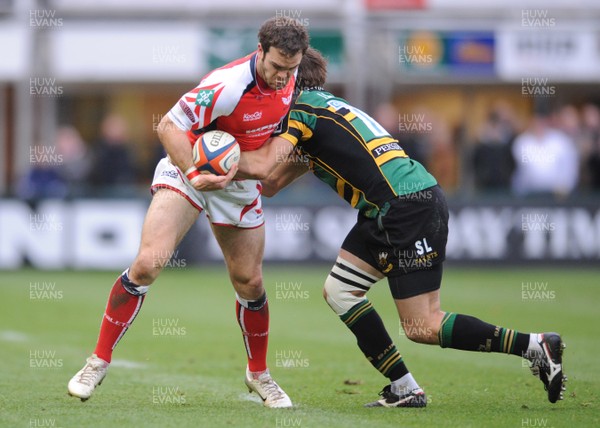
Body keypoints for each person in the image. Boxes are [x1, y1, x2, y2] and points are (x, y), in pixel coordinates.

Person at [237, 48, 566, 407]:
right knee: (340, 291)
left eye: (278, 79)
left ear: (290, 83)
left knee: (423, 325)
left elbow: (266, 167)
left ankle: (534, 346)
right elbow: (272, 182)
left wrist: (210, 155)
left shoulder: (301, 113)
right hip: (400, 203)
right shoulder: (325, 108)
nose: (270, 87)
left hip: (403, 208)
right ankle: (404, 388)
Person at [67, 17, 309, 408]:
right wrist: (198, 174)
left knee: (250, 282)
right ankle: (98, 361)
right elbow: (168, 126)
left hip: (238, 185)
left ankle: (259, 374)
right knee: (148, 263)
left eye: (291, 68)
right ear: (260, 51)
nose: (283, 76)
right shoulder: (227, 85)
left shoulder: (298, 79)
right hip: (190, 168)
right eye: (276, 66)